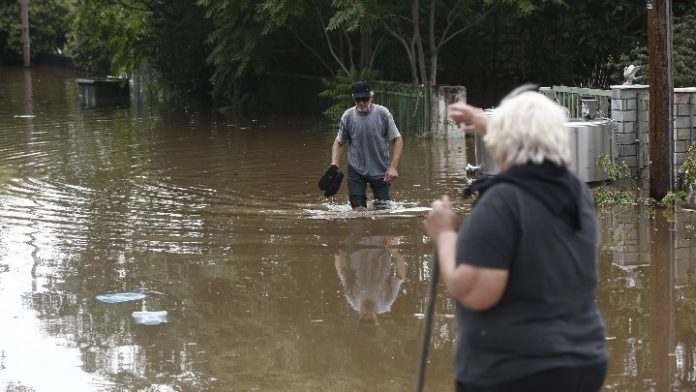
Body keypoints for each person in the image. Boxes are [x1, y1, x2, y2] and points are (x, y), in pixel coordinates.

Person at [424, 88, 608, 392]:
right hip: (583, 363)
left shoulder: (503, 201)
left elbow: (474, 290)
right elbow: (531, 143)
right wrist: (487, 123)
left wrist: (444, 234)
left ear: (504, 143)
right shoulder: (575, 193)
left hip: (514, 372)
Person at [330, 81, 403, 211]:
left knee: (383, 211)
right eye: (358, 99)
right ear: (354, 98)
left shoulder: (383, 113)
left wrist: (393, 167)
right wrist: (334, 165)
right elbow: (339, 142)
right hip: (356, 170)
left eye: (365, 99)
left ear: (371, 96)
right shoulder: (348, 116)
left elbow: (397, 139)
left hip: (381, 171)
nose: (362, 103)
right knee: (357, 210)